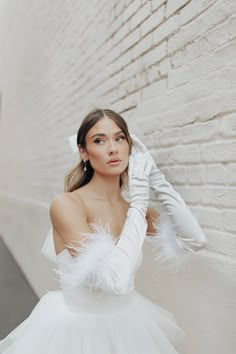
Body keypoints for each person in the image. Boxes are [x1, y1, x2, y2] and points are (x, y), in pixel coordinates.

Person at [0, 108, 207, 353]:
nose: (113, 148)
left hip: (130, 326)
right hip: (76, 334)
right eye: (100, 140)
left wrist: (158, 180)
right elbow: (114, 280)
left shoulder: (133, 210)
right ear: (84, 152)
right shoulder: (67, 205)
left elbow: (194, 240)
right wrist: (139, 203)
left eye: (120, 138)